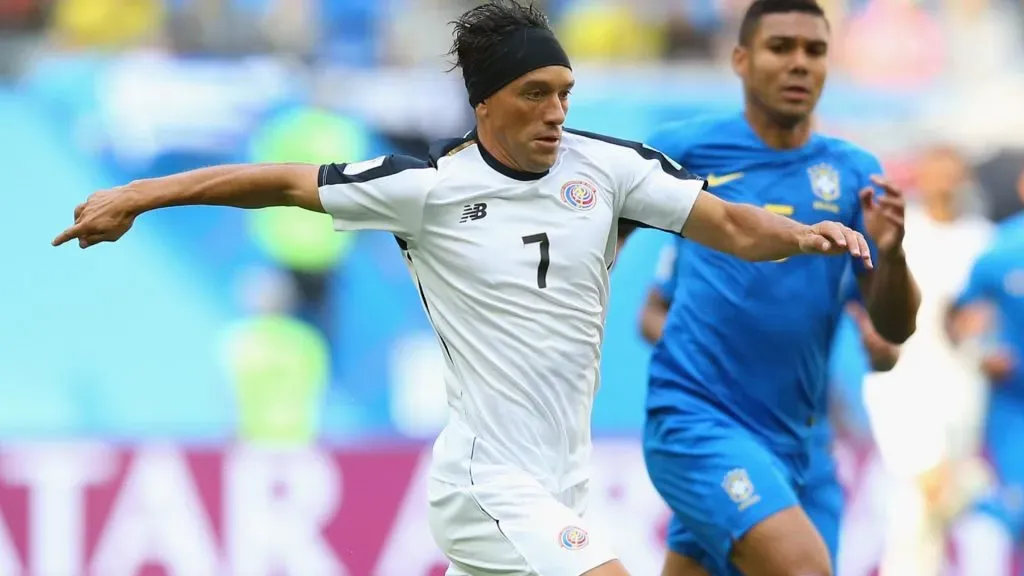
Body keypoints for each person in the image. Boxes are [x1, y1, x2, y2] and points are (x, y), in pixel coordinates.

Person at [52, 2, 873, 575]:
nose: (557, 112)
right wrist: (137, 195)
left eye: (564, 93)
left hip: (562, 476)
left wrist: (802, 236)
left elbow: (729, 225)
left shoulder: (608, 170)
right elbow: (281, 181)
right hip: (486, 483)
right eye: (534, 95)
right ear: (486, 104)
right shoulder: (428, 189)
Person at [631, 0, 922, 574]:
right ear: (741, 59)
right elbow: (605, 240)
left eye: (814, 51)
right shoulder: (685, 151)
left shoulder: (854, 171)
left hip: (795, 445)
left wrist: (891, 254)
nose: (799, 64)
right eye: (780, 48)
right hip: (698, 420)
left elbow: (894, 327)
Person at [859, 144, 994, 576]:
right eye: (935, 173)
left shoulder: (982, 238)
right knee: (918, 497)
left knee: (946, 503)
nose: (943, 183)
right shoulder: (900, 233)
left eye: (951, 173)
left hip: (962, 387)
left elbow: (990, 309)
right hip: (904, 385)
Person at [947, 180, 1024, 576]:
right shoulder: (1001, 249)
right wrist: (983, 348)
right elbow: (961, 318)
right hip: (1014, 410)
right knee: (998, 515)